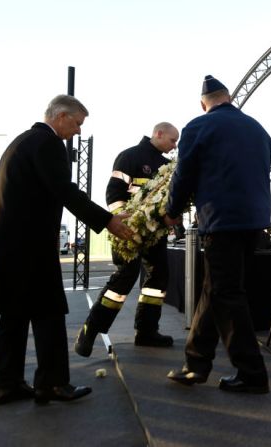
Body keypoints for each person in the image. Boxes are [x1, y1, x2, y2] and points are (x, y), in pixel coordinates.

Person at [0, 95, 133, 405]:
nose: (77, 132)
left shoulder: (20, 142)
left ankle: (8, 385)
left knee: (14, 316)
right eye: (76, 124)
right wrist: (108, 220)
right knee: (48, 313)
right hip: (31, 245)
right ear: (60, 116)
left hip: (8, 244)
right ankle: (53, 384)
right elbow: (65, 191)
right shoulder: (48, 144)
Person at [164, 75, 271, 394]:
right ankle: (195, 364)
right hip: (255, 222)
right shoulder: (257, 128)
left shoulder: (199, 127)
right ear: (228, 98)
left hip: (222, 221)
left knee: (227, 294)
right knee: (216, 290)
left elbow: (184, 173)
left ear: (204, 104)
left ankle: (252, 373)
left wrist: (172, 209)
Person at [74, 122, 179, 357]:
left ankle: (146, 332)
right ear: (158, 133)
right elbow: (113, 193)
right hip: (126, 231)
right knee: (124, 279)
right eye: (173, 140)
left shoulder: (168, 166)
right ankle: (90, 330)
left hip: (155, 233)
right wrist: (127, 223)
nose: (175, 146)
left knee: (158, 278)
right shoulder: (129, 157)